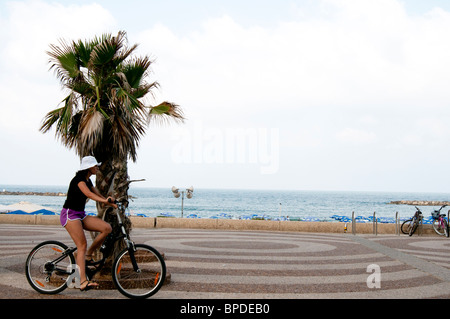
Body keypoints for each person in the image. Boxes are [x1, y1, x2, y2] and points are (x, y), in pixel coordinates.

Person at [60, 156, 117, 291]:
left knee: (106, 228)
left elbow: (97, 194)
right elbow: (89, 195)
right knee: (82, 245)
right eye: (95, 166)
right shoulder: (78, 181)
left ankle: (88, 254)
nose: (97, 168)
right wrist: (105, 201)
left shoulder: (88, 180)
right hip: (70, 214)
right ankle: (83, 281)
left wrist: (109, 201)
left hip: (80, 214)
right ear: (88, 168)